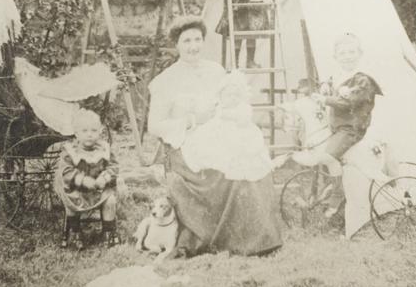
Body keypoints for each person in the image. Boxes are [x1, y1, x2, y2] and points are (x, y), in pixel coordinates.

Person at [148, 15, 282, 257]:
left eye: (198, 39)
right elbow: (154, 126)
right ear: (176, 45)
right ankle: (233, 238)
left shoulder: (215, 70)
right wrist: (191, 120)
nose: (193, 46)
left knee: (249, 157)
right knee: (225, 168)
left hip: (220, 133)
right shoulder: (165, 81)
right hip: (186, 142)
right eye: (186, 40)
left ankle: (260, 236)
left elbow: (231, 100)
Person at [313, 33, 383, 217]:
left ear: (359, 54)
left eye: (351, 52)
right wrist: (324, 88)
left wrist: (326, 98)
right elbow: (327, 84)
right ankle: (332, 189)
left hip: (352, 128)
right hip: (337, 127)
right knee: (314, 146)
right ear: (336, 57)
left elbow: (349, 103)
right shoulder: (338, 76)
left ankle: (337, 198)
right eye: (342, 53)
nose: (347, 56)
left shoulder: (363, 80)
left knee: (328, 157)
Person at [182, 70, 273, 181]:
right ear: (221, 96)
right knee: (204, 140)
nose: (233, 98)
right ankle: (209, 169)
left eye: (236, 95)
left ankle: (235, 169)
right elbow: (212, 117)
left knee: (240, 148)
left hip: (239, 131)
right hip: (219, 130)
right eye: (229, 95)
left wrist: (229, 115)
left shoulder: (243, 107)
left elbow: (244, 120)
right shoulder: (219, 107)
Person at [53, 109, 120, 250]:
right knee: (71, 202)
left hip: (99, 188)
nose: (89, 134)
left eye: (94, 130)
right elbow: (66, 171)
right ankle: (76, 232)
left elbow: (114, 166)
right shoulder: (71, 151)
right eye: (84, 131)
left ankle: (107, 233)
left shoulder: (104, 149)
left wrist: (105, 176)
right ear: (76, 133)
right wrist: (82, 180)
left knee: (110, 200)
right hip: (76, 189)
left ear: (100, 132)